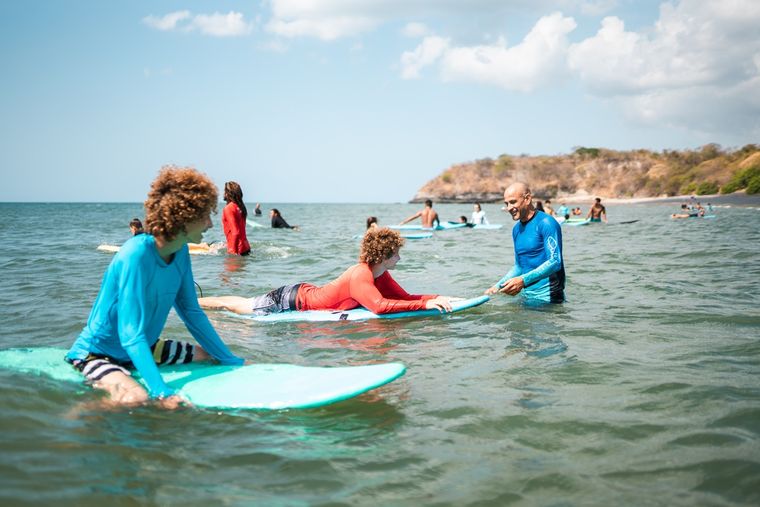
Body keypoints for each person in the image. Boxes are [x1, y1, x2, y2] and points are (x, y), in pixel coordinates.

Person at [65, 166, 244, 408]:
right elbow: (130, 334)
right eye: (204, 216)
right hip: (98, 353)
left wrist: (231, 360)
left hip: (147, 347)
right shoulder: (135, 255)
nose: (210, 224)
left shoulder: (180, 252)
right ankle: (73, 422)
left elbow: (191, 312)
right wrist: (161, 391)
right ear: (183, 217)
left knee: (212, 356)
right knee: (135, 397)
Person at [199, 228, 455, 315]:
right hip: (290, 301)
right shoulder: (361, 275)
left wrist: (437, 298)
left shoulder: (380, 273)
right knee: (238, 307)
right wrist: (425, 306)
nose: (399, 258)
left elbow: (403, 298)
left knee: (242, 302)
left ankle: (198, 301)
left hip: (304, 292)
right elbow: (379, 307)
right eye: (395, 253)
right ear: (382, 257)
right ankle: (197, 302)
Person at [485, 182, 565, 303]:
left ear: (527, 199)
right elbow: (519, 266)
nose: (509, 208)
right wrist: (497, 286)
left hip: (548, 299)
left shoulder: (546, 223)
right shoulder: (516, 230)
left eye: (513, 202)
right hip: (527, 296)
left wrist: (523, 281)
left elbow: (555, 262)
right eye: (506, 204)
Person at [222, 181, 251, 256]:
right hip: (246, 247)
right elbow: (240, 232)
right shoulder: (241, 207)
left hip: (237, 249)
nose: (223, 194)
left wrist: (233, 252)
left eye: (224, 191)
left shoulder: (228, 208)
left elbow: (235, 232)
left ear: (228, 193)